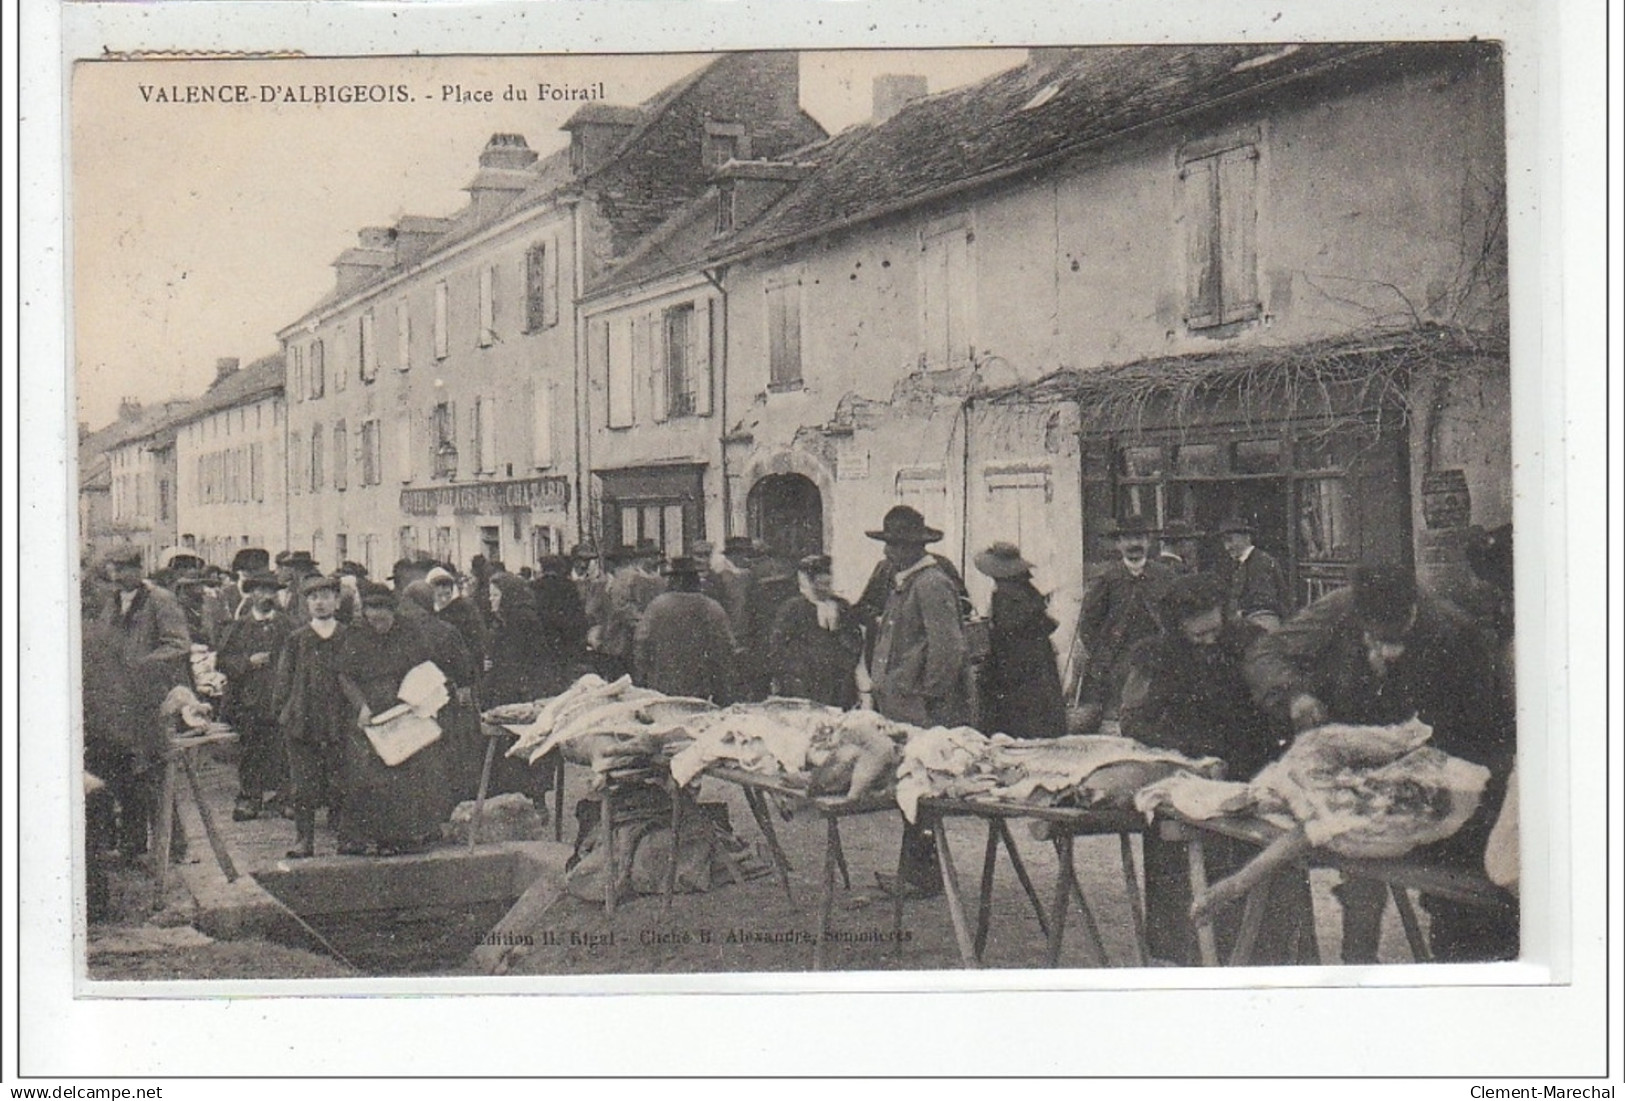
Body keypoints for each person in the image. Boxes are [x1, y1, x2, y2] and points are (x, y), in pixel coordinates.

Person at [1245, 563, 1517, 962]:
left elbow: (1480, 734)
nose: (1383, 648)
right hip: (1353, 745)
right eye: (1372, 635)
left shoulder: (1457, 634)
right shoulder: (1339, 608)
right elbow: (1266, 652)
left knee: (1453, 887)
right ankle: (1358, 957)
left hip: (1433, 758)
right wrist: (1294, 695)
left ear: (1412, 611)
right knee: (1340, 840)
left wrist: (1418, 763)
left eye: (1394, 638)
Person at [1120, 573, 1295, 964]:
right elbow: (1133, 721)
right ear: (1177, 630)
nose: (1209, 641)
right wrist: (1190, 750)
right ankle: (1190, 965)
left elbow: (1279, 698)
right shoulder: (1153, 656)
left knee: (1263, 885)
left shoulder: (1250, 643)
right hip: (1189, 781)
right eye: (1197, 637)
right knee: (1189, 895)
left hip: (1252, 772)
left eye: (1214, 631)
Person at [866, 506, 969, 899]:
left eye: (896, 545)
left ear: (916, 547)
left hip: (924, 709)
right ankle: (916, 875)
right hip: (905, 705)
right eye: (888, 544)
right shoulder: (904, 581)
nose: (889, 552)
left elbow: (949, 649)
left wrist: (928, 696)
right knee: (913, 789)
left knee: (922, 789)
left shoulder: (930, 584)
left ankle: (920, 878)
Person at [334, 582, 455, 855]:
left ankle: (401, 837)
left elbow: (425, 667)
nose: (378, 621)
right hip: (369, 714)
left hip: (404, 708)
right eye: (372, 614)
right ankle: (357, 838)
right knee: (366, 777)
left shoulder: (410, 632)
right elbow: (345, 675)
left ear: (392, 612)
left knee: (406, 774)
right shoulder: (356, 636)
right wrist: (361, 706)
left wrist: (421, 698)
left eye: (384, 614)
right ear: (365, 613)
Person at [99, 543, 193, 861]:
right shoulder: (110, 602)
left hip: (150, 698)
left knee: (156, 772)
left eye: (124, 568)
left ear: (138, 570)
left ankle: (174, 846)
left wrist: (143, 664)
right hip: (118, 699)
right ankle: (133, 844)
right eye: (113, 567)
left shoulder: (159, 600)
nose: (117, 573)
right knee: (125, 773)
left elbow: (179, 645)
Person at [273, 575, 352, 858]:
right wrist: (284, 713)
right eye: (313, 597)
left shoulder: (347, 635)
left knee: (342, 779)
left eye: (326, 596)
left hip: (339, 720)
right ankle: (303, 839)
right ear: (306, 603)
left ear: (337, 601)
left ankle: (346, 837)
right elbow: (283, 681)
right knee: (303, 785)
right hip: (303, 720)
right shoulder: (297, 639)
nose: (320, 603)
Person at [1073, 515, 1176, 725]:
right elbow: (1088, 623)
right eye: (1127, 539)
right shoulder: (1107, 579)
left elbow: (1177, 616)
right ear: (1119, 544)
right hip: (1118, 660)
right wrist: (1101, 652)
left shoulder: (1166, 576)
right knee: (1116, 717)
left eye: (1139, 538)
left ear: (1148, 542)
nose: (1134, 544)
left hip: (1158, 656)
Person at [399, 581, 488, 807]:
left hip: (409, 701)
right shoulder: (445, 630)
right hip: (443, 700)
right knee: (446, 752)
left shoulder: (400, 631)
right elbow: (464, 668)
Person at [216, 571, 295, 821]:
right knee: (252, 750)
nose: (267, 596)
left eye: (272, 591)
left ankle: (284, 798)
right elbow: (223, 661)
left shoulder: (289, 626)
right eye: (261, 591)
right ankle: (250, 798)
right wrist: (247, 662)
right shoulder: (239, 627)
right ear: (251, 594)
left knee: (284, 750)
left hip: (282, 699)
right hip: (250, 701)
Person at [973, 542, 1066, 740]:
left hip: (1016, 668)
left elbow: (1007, 631)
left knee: (1016, 724)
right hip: (1035, 664)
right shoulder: (1025, 589)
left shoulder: (1007, 595)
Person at [634, 557, 737, 703]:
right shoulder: (712, 607)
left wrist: (643, 675)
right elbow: (727, 645)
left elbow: (641, 641)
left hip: (662, 683)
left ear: (675, 580)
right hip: (702, 686)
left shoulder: (657, 606)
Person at [768, 554, 864, 708]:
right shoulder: (793, 608)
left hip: (838, 682)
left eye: (828, 583)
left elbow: (855, 639)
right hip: (804, 682)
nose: (825, 588)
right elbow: (778, 647)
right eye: (820, 584)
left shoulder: (841, 606)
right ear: (808, 582)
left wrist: (845, 659)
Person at [737, 541, 801, 701]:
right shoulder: (787, 568)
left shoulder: (753, 573)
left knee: (760, 684)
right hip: (786, 635)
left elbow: (748, 608)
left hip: (762, 634)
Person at [600, 540, 665, 679]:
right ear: (640, 559)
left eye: (655, 556)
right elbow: (621, 605)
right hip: (625, 637)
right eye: (649, 557)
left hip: (649, 634)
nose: (653, 560)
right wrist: (642, 620)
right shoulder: (626, 577)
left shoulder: (660, 580)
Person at [1217, 516, 1288, 631]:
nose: (1227, 547)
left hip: (1262, 622)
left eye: (1230, 540)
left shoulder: (1261, 562)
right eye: (1224, 542)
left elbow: (1264, 601)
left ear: (1246, 537)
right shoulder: (1239, 564)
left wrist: (1240, 613)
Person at [531, 555, 590, 693]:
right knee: (564, 677)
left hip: (543, 638)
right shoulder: (569, 586)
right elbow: (579, 615)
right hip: (565, 640)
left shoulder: (535, 586)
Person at [427, 565, 488, 680]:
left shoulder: (463, 610)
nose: (444, 599)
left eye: (447, 594)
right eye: (439, 595)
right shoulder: (430, 613)